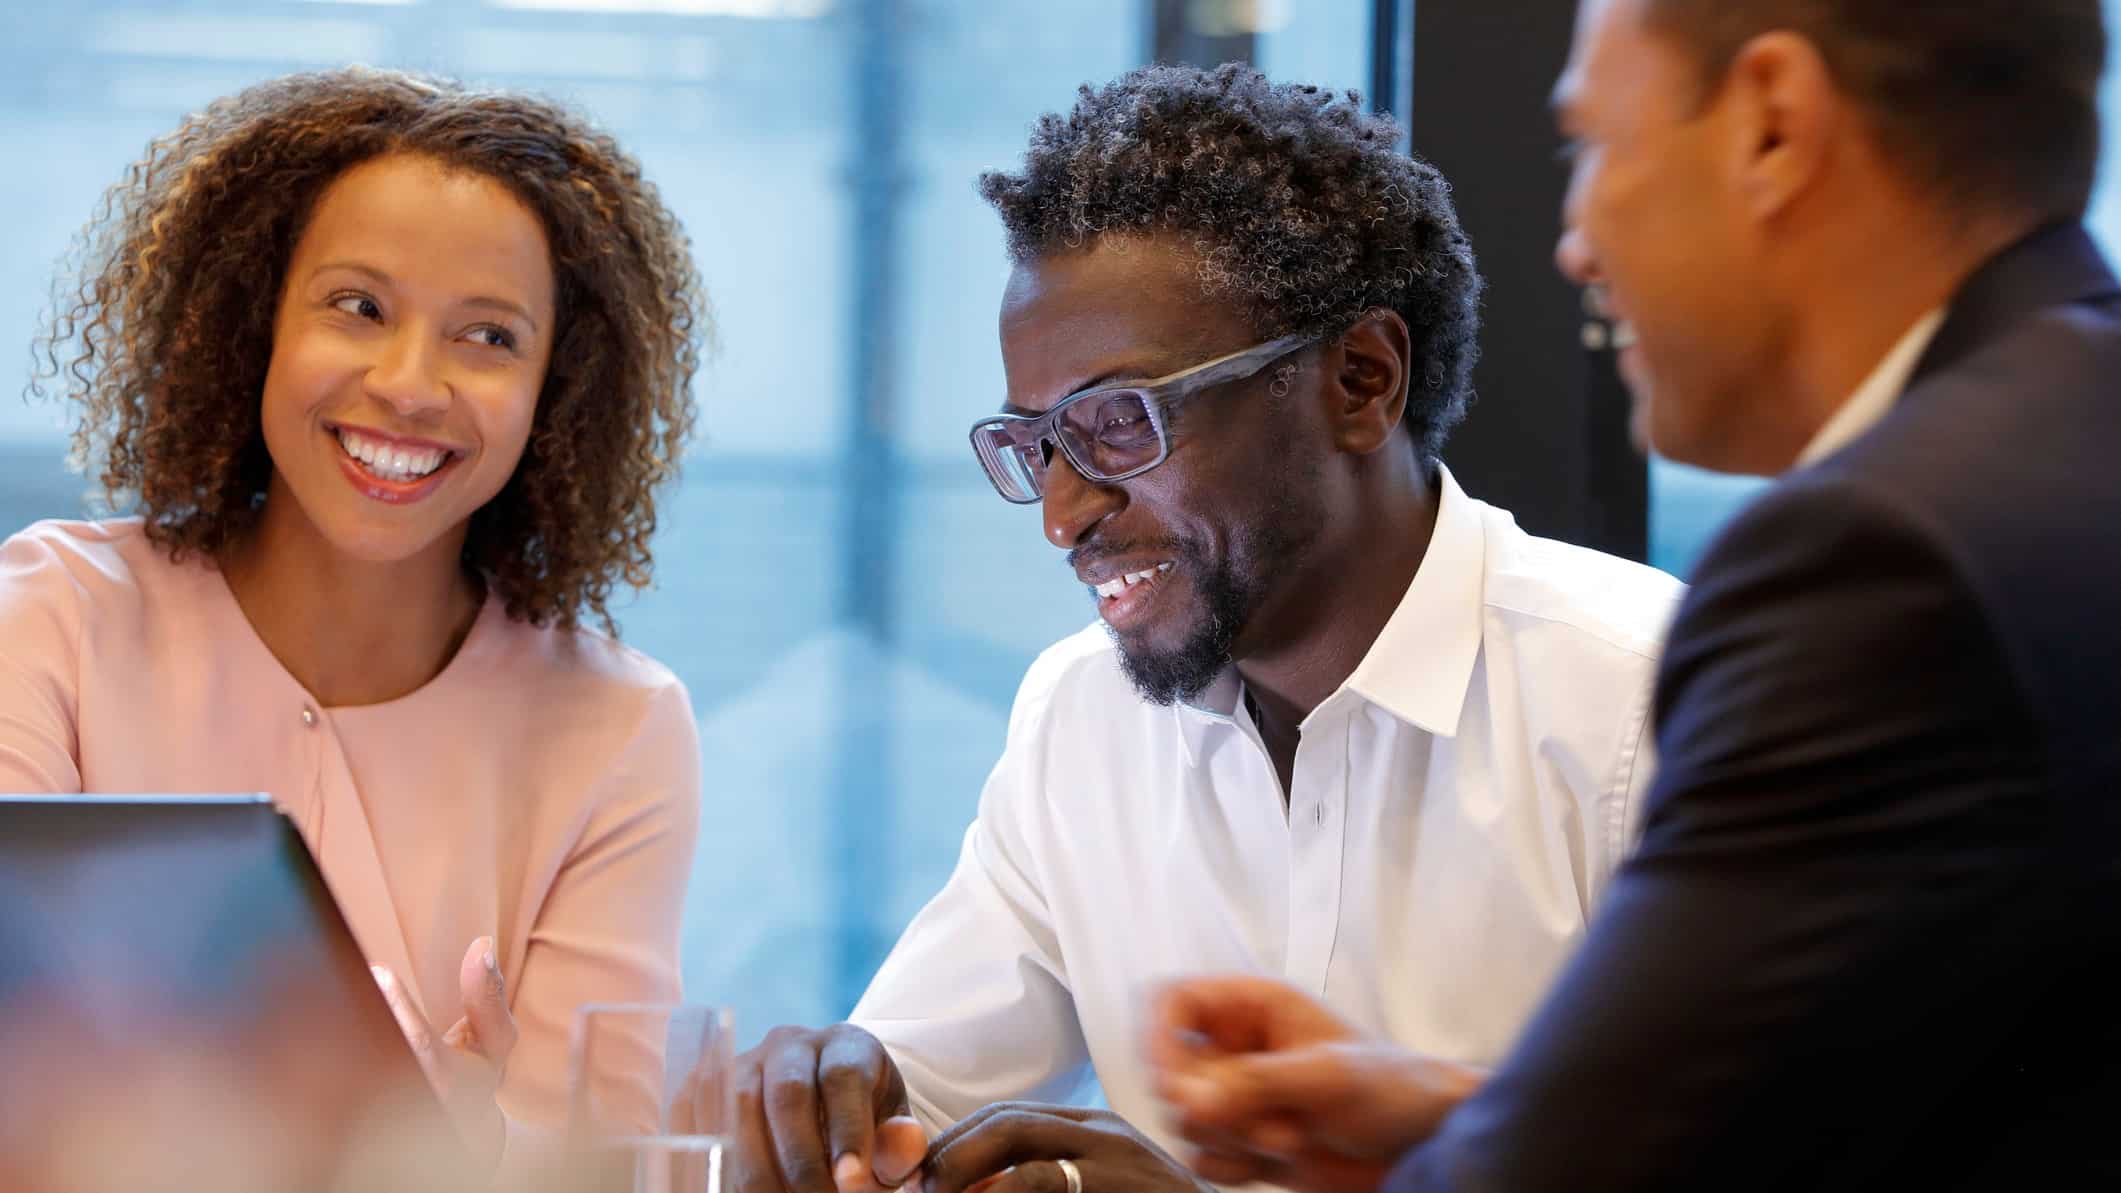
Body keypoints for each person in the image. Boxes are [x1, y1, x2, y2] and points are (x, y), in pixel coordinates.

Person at [1149, 2, 2121, 1190]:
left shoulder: (1883, 560)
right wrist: (1464, 1117)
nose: (1575, 242)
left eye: (1593, 146)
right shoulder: (2072, 436)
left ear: (1773, 126)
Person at [727, 64, 1684, 1193]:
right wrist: (833, 1104)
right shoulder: (1081, 713)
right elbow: (919, 1094)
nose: (1063, 514)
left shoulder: (1650, 704)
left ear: (1360, 380)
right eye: (1037, 444)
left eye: (1118, 422)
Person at [0, 67, 708, 1172]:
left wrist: (477, 1145)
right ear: (252, 324)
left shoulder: (620, 728)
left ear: (558, 391)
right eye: (358, 306)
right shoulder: (50, 618)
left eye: (489, 336)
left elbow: (601, 1162)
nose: (410, 384)